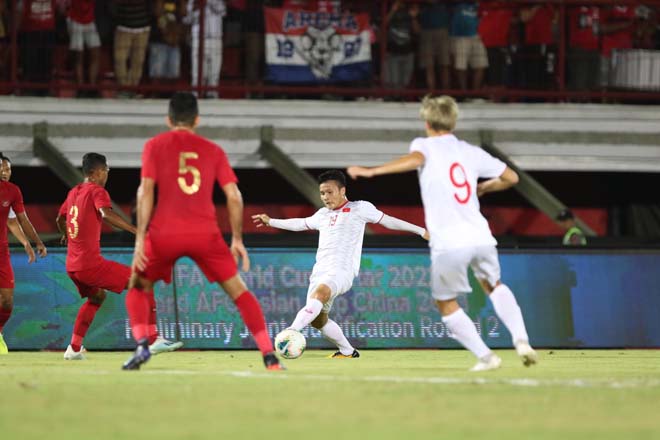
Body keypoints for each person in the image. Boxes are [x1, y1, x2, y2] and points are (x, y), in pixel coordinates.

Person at [347, 95, 537, 371]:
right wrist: (484, 187)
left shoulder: (424, 145)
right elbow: (511, 178)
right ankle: (521, 340)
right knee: (494, 285)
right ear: (454, 120)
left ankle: (487, 357)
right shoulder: (470, 151)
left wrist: (373, 171)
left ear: (426, 121)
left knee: (445, 302)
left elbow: (415, 159)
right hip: (481, 236)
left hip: (450, 240)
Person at [123, 92, 283, 371]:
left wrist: (140, 239)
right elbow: (234, 196)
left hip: (164, 234)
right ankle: (269, 356)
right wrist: (236, 238)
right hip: (205, 234)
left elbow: (145, 191)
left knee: (137, 285)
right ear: (197, 120)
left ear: (168, 119)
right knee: (239, 292)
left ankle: (141, 345)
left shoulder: (154, 146)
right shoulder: (214, 150)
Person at [252, 170, 428, 358]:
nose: (326, 197)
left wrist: (420, 230)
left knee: (320, 294)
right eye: (322, 193)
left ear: (342, 190)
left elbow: (389, 221)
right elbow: (300, 223)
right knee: (318, 320)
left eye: (329, 192)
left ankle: (291, 331)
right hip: (320, 271)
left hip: (342, 271)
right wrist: (270, 221)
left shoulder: (359, 208)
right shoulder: (322, 214)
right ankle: (347, 350)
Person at [56, 153, 183, 360]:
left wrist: (66, 235)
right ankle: (153, 339)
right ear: (96, 172)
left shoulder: (73, 193)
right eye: (106, 170)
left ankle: (74, 348)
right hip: (89, 266)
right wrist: (137, 231)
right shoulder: (97, 191)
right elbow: (106, 214)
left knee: (97, 297)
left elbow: (60, 218)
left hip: (72, 266)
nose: (107, 174)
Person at [0, 153, 47, 354]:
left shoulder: (12, 191)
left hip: (2, 251)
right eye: (2, 168)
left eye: (8, 168)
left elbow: (16, 220)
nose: (5, 172)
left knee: (8, 300)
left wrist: (31, 242)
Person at [185, 0, 226, 98]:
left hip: (215, 38)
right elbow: (187, 19)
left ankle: (213, 98)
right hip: (198, 39)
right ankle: (196, 98)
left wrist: (207, 2)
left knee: (214, 74)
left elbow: (223, 11)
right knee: (197, 74)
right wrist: (195, 10)